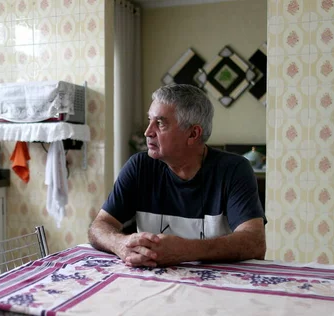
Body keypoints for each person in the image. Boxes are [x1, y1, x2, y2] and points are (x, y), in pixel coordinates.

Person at [88, 84, 266, 267]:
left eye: (160, 123)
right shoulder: (139, 166)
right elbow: (99, 225)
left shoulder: (234, 169)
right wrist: (120, 244)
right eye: (149, 120)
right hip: (151, 285)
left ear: (193, 134)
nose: (147, 132)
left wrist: (185, 251)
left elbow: (254, 242)